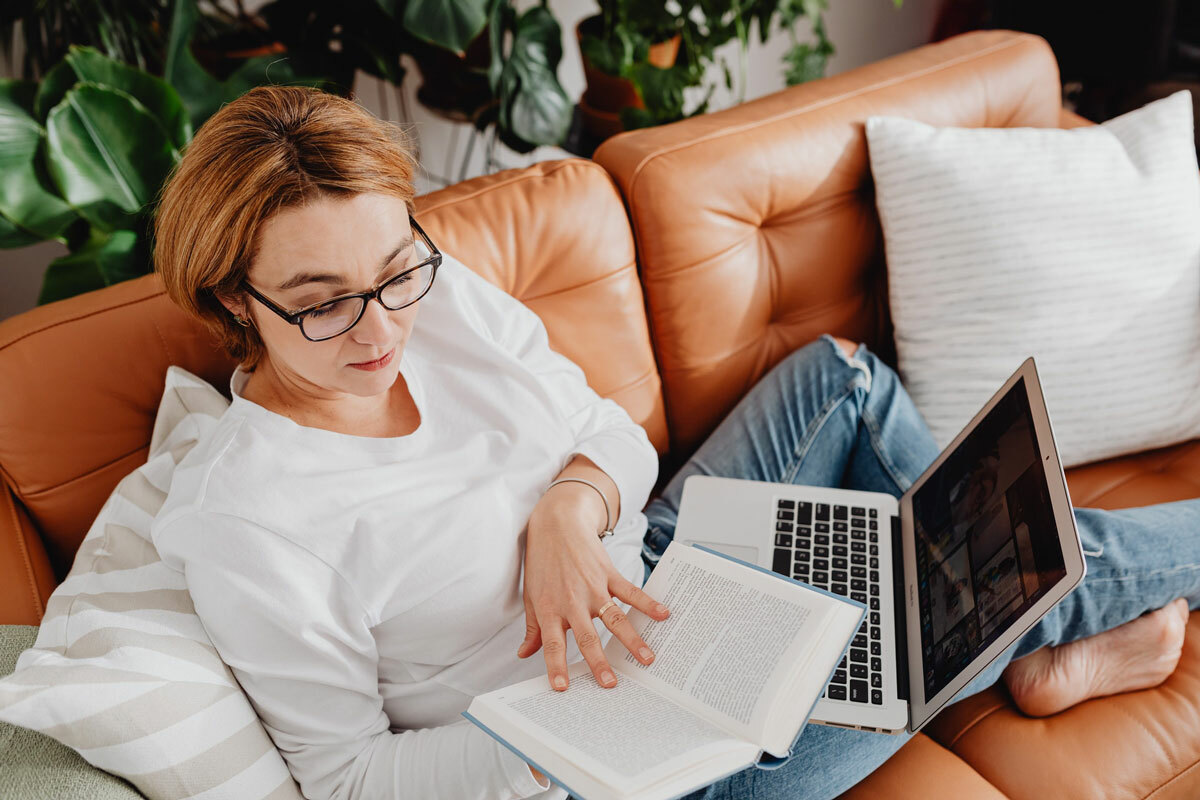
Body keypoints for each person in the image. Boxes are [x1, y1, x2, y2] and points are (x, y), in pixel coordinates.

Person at [149, 85, 1196, 800]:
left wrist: (569, 508)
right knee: (956, 586)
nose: (381, 328)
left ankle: (1042, 637)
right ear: (232, 300)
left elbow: (604, 428)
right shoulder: (254, 523)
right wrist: (580, 725)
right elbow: (349, 781)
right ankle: (1047, 627)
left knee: (841, 379)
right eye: (320, 305)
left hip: (651, 556)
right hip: (628, 759)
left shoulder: (427, 284)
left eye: (391, 273)